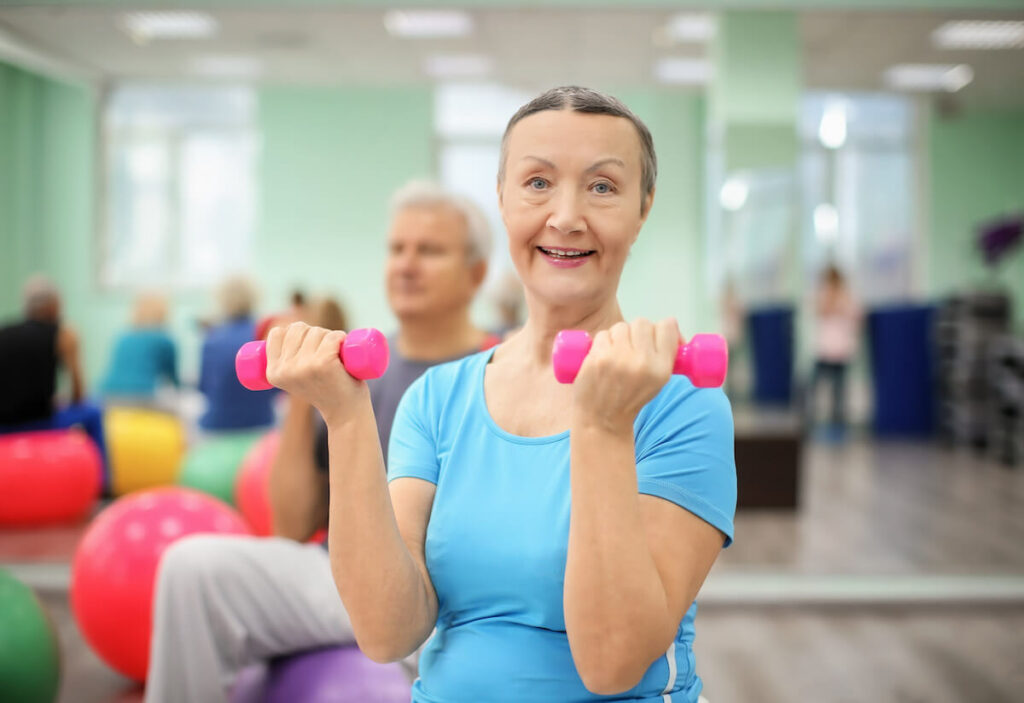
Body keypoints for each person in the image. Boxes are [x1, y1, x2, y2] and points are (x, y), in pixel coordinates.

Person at [268, 87, 736, 702]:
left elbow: (612, 662)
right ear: (503, 200)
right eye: (537, 182)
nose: (565, 216)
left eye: (602, 187)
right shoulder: (437, 399)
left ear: (642, 208)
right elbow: (388, 632)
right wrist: (347, 415)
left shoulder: (683, 406)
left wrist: (600, 425)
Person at [145, 181, 497, 703]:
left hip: (445, 596)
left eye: (429, 250)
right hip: (343, 575)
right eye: (397, 248)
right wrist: (299, 391)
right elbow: (290, 527)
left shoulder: (499, 372)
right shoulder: (357, 367)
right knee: (190, 567)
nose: (405, 264)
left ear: (475, 274)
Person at [0, 275, 108, 471]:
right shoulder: (65, 334)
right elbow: (78, 393)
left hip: (4, 425)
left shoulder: (4, 331)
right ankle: (103, 484)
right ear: (54, 304)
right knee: (94, 413)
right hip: (41, 422)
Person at [197, 275, 276, 432]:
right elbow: (278, 386)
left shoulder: (212, 340)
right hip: (261, 426)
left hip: (218, 428)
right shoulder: (267, 337)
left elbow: (203, 387)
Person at [807, 264, 862, 439]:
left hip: (840, 352)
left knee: (839, 392)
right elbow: (819, 311)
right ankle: (811, 423)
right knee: (815, 388)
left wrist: (838, 304)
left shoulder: (847, 297)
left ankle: (838, 426)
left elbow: (856, 317)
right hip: (824, 351)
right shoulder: (822, 295)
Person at [100, 292, 179, 404]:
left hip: (107, 395)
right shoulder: (165, 339)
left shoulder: (123, 337)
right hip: (143, 397)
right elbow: (173, 380)